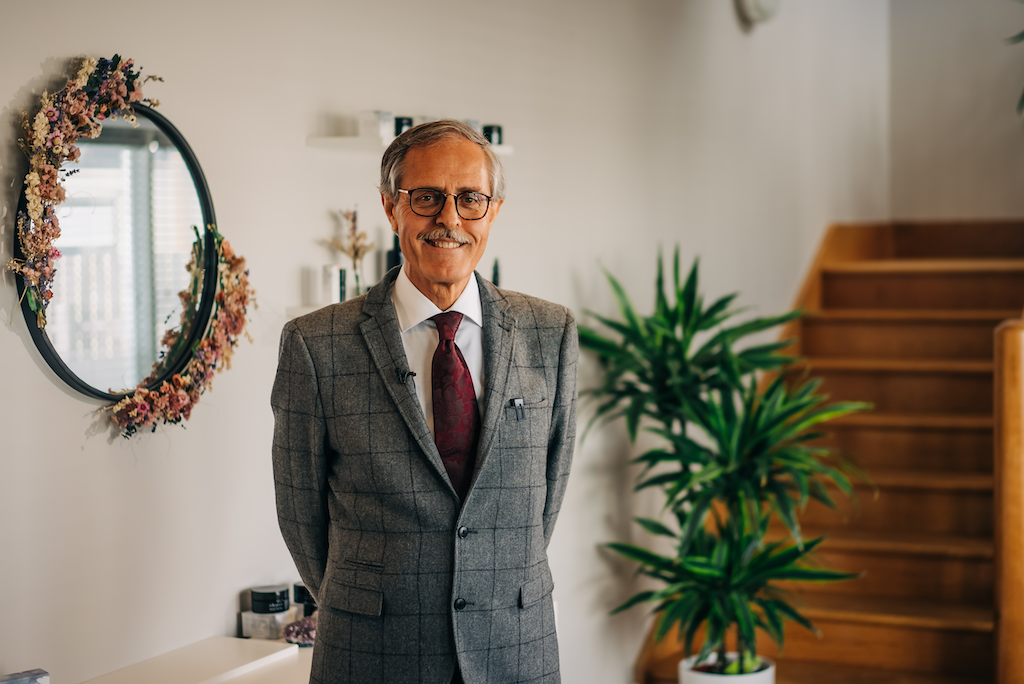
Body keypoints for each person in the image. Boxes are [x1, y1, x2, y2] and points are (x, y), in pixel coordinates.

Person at [272, 119, 578, 684]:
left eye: (470, 199)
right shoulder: (315, 345)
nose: (449, 219)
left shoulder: (550, 332)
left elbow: (547, 497)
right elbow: (300, 514)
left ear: (494, 211)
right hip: (371, 653)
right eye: (427, 198)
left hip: (516, 649)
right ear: (391, 209)